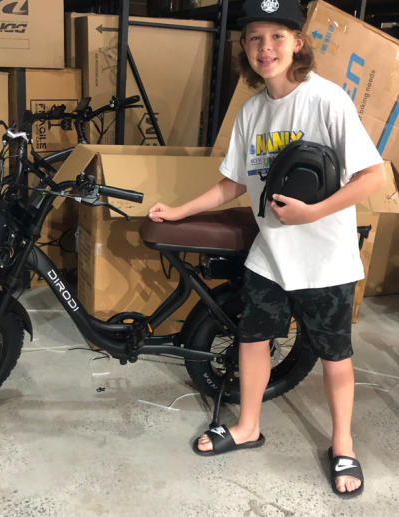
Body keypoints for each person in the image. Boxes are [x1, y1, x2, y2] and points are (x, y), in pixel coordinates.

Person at [147, 0, 384, 497]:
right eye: (255, 38)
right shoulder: (252, 111)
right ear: (244, 48)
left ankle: (344, 444)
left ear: (298, 42)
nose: (265, 48)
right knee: (252, 341)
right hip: (270, 255)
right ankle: (248, 426)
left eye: (277, 36)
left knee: (335, 356)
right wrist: (179, 211)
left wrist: (314, 213)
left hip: (325, 259)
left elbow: (374, 176)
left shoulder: (327, 101)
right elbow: (232, 184)